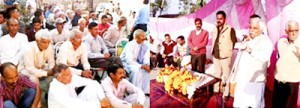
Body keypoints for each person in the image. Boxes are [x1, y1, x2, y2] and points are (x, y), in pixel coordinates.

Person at [233, 18, 273, 108]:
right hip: (242, 79)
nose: (251, 30)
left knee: (254, 105)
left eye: (255, 28)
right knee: (240, 104)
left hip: (255, 81)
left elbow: (265, 57)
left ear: (261, 29)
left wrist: (250, 50)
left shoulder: (266, 40)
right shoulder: (248, 39)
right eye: (250, 27)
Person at [272, 20, 300, 108]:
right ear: (286, 31)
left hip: (291, 83)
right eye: (292, 31)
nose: (294, 33)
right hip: (279, 80)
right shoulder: (281, 41)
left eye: (297, 30)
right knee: (276, 105)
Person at [211, 10, 237, 93]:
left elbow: (234, 42)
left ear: (225, 19)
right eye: (217, 18)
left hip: (225, 56)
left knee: (226, 75)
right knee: (216, 73)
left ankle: (225, 93)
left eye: (220, 19)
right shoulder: (215, 28)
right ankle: (216, 90)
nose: (218, 20)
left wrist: (227, 50)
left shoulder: (230, 29)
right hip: (216, 55)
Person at [120, 29, 150, 94]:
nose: (144, 38)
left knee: (147, 71)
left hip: (136, 63)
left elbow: (145, 57)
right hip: (126, 63)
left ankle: (145, 90)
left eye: (144, 36)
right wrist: (142, 66)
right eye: (142, 36)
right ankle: (134, 91)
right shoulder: (130, 45)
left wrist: (147, 65)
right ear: (136, 37)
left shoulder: (144, 44)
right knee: (136, 70)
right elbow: (129, 60)